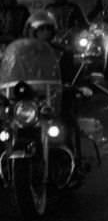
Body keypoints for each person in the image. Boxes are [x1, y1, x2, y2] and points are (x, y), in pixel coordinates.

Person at [24, 10, 84, 174]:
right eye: (41, 29)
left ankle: (73, 161)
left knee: (67, 120)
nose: (45, 33)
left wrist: (71, 86)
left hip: (54, 98)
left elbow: (70, 74)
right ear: (32, 31)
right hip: (28, 99)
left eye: (48, 29)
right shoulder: (23, 53)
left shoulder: (61, 52)